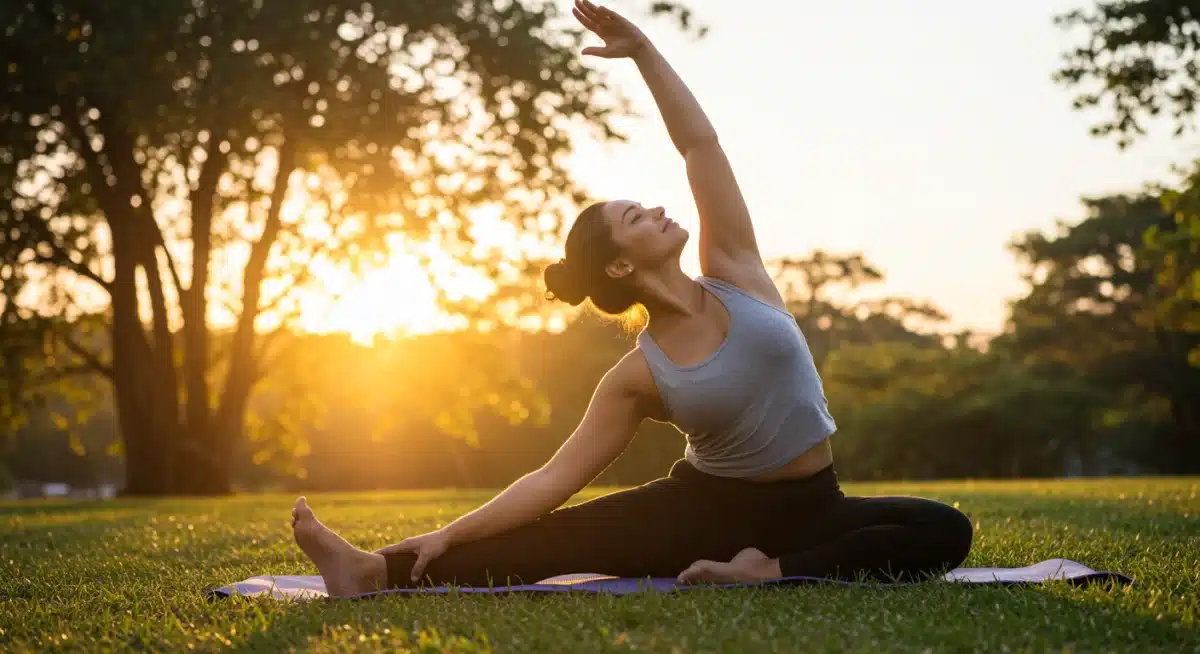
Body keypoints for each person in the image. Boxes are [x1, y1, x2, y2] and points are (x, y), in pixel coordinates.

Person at [290, 0, 973, 597]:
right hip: (701, 511)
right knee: (554, 543)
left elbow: (699, 146)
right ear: (619, 264)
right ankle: (374, 570)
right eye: (636, 217)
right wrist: (451, 530)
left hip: (815, 505)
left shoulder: (735, 268)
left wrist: (644, 53)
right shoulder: (638, 376)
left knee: (943, 529)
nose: (655, 209)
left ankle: (767, 570)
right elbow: (552, 481)